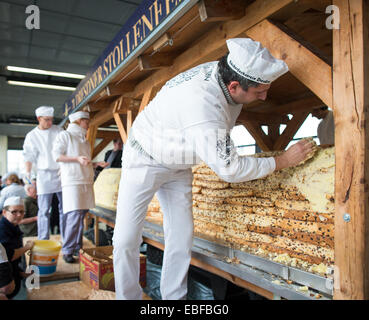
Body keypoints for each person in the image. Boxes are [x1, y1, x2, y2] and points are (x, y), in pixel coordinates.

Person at [112, 38, 315, 300]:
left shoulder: (225, 73)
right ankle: (126, 297)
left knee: (181, 236)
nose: (265, 96)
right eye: (259, 92)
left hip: (179, 164)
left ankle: (174, 299)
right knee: (125, 239)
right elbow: (229, 169)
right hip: (145, 158)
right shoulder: (202, 104)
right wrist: (283, 161)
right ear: (234, 86)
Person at [52, 111, 109, 263]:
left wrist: (95, 164)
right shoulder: (65, 135)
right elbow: (57, 156)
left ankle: (77, 246)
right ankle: (68, 250)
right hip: (72, 181)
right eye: (86, 121)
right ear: (79, 121)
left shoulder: (83, 139)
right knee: (74, 215)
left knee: (82, 214)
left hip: (85, 180)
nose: (88, 124)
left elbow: (84, 160)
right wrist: (77, 159)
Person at [23, 106, 65, 241]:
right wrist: (28, 178)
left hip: (60, 173)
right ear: (39, 119)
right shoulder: (32, 136)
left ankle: (66, 238)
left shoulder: (59, 131)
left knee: (64, 209)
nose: (50, 123)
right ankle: (43, 239)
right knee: (44, 210)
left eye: (51, 120)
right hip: (43, 176)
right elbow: (28, 157)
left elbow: (66, 150)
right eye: (47, 120)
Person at [0, 197, 34, 299]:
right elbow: (10, 256)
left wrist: (21, 273)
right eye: (14, 212)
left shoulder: (13, 225)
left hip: (13, 273)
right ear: (4, 212)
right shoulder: (2, 230)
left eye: (22, 212)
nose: (19, 215)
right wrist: (27, 247)